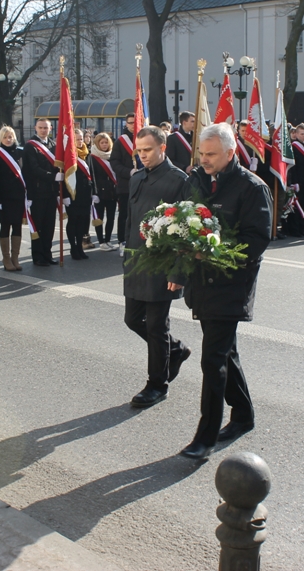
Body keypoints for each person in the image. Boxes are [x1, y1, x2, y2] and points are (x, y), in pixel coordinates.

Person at [171, 123, 272, 460]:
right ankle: (243, 416)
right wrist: (179, 272)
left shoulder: (252, 188)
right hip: (202, 283)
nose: (204, 159)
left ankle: (206, 435)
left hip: (230, 286)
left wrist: (215, 251)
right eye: (202, 153)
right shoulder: (195, 180)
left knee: (212, 360)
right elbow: (182, 227)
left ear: (231, 152)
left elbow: (257, 240)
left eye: (211, 154)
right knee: (226, 353)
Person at [123, 125, 191, 408]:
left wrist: (179, 271)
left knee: (155, 325)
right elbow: (130, 218)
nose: (142, 156)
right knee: (132, 319)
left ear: (163, 148)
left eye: (148, 150)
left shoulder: (179, 180)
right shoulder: (136, 177)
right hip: (136, 261)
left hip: (162, 264)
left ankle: (156, 385)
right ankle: (174, 350)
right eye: (139, 151)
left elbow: (187, 228)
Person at [0, 126, 28, 271]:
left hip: (19, 196)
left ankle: (15, 257)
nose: (8, 139)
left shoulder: (20, 152)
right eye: (5, 137)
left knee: (17, 225)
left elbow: (25, 173)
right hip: (4, 197)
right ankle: (6, 258)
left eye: (10, 137)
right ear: (1, 138)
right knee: (5, 226)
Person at [23, 119, 59, 266]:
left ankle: (47, 254)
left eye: (46, 127)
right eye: (41, 127)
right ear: (35, 128)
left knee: (49, 226)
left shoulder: (53, 145)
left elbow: (58, 164)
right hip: (38, 192)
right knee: (38, 226)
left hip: (51, 192)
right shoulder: (30, 146)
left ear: (50, 128)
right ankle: (38, 256)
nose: (43, 130)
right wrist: (53, 176)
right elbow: (33, 169)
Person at [65, 129, 96, 260]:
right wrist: (65, 195)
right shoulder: (69, 155)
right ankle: (73, 248)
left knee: (83, 223)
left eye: (81, 138)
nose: (80, 141)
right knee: (73, 222)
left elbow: (92, 174)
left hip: (85, 195)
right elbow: (65, 177)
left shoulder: (86, 154)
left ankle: (80, 247)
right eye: (77, 139)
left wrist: (94, 192)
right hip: (73, 194)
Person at [110, 117, 138, 245]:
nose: (133, 125)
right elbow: (115, 163)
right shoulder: (120, 141)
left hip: (143, 184)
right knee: (125, 215)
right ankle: (122, 240)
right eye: (130, 122)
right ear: (126, 124)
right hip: (126, 184)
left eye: (135, 122)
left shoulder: (144, 138)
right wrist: (129, 172)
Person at [89, 132, 118, 250]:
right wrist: (94, 193)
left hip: (112, 192)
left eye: (106, 142)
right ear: (97, 143)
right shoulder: (92, 157)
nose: (104, 145)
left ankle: (108, 240)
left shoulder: (112, 155)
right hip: (100, 192)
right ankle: (101, 242)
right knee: (99, 218)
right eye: (102, 143)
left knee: (111, 218)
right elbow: (92, 175)